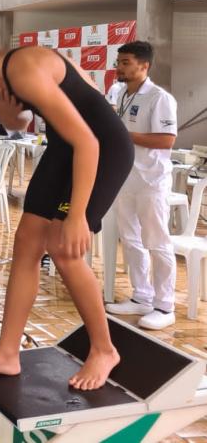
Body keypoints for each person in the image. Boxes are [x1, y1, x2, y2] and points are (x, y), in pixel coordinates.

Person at [0, 33, 133, 390]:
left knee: (64, 248)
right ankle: (6, 353)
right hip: (65, 147)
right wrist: (5, 115)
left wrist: (76, 214)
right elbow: (23, 123)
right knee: (27, 241)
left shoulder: (23, 68)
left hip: (101, 146)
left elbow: (88, 140)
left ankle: (104, 349)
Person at [105, 41, 178, 330]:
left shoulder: (160, 98)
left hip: (151, 181)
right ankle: (141, 296)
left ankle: (164, 305)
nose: (119, 67)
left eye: (125, 62)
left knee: (157, 242)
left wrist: (124, 136)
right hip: (126, 178)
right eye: (119, 62)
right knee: (131, 240)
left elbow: (166, 140)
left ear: (143, 66)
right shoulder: (121, 93)